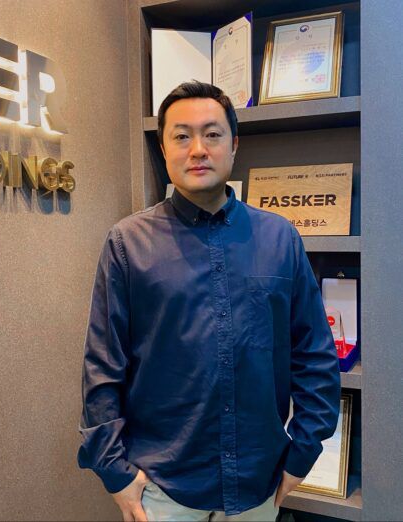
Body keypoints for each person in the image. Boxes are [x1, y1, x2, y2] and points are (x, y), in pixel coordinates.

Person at [77, 81, 340, 522]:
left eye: (212, 134)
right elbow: (103, 365)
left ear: (234, 145)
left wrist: (304, 450)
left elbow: (314, 353)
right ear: (164, 149)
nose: (198, 149)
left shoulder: (280, 238)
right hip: (162, 486)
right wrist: (114, 471)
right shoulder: (127, 243)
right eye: (181, 136)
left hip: (258, 481)